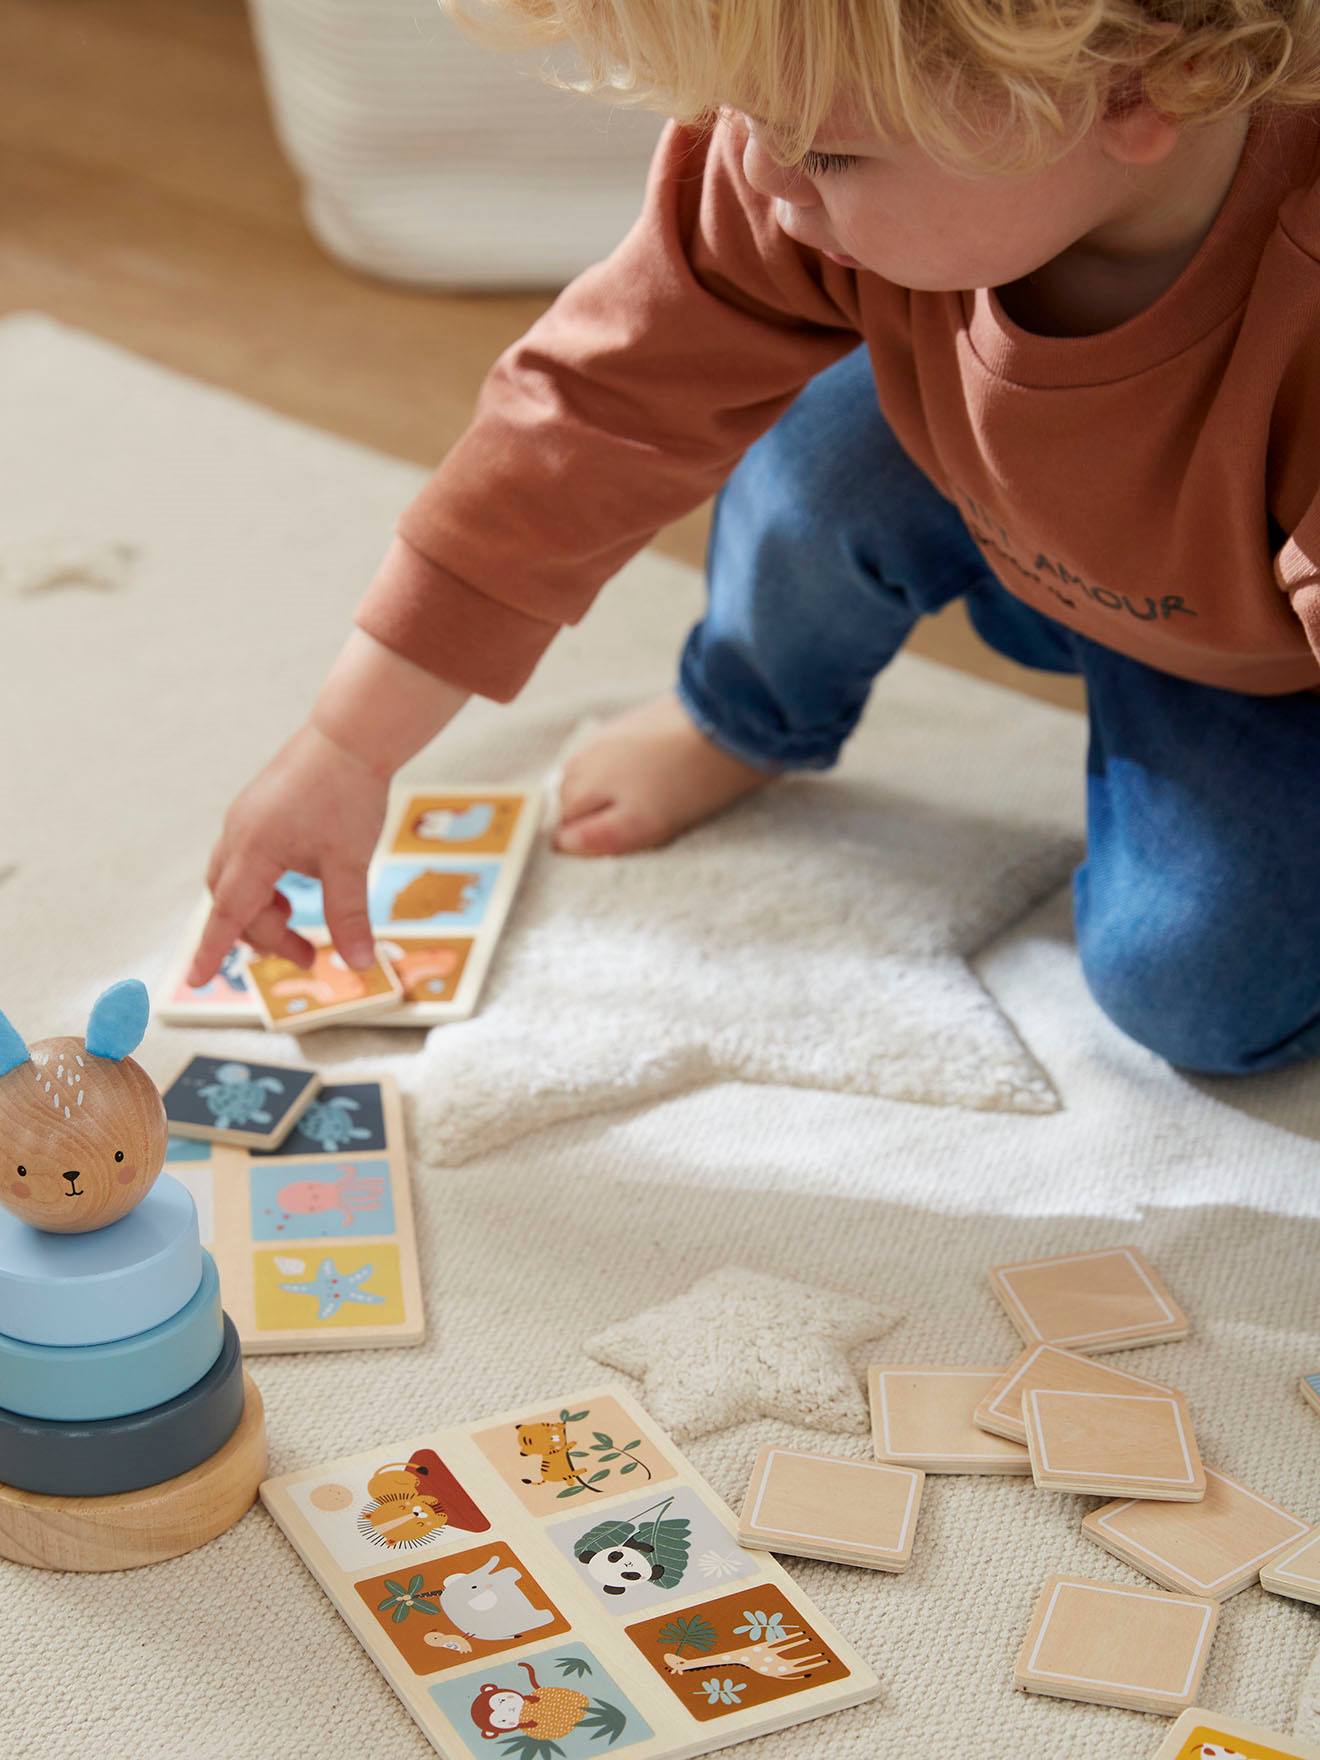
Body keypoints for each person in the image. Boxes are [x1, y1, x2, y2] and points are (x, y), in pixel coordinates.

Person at [188, 0, 1320, 1075]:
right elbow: (584, 416)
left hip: (1260, 660)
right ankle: (740, 714)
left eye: (828, 153)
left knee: (1196, 989)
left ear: (1142, 82)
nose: (764, 175)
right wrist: (346, 746)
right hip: (1003, 501)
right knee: (819, 467)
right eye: (743, 114)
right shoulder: (791, 162)